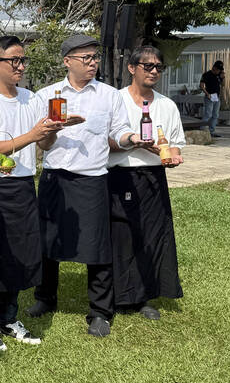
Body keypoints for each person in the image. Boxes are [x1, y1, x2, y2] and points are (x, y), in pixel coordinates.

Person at [28, 35, 145, 338]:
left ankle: (100, 312)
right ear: (67, 61)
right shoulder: (46, 95)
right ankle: (45, 298)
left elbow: (118, 130)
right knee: (48, 241)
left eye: (95, 57)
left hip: (93, 179)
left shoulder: (108, 95)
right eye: (86, 58)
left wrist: (131, 139)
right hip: (56, 177)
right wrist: (52, 131)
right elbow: (41, 143)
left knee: (97, 246)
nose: (93, 62)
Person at [0, 36, 61, 351]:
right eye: (14, 61)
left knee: (20, 252)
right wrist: (33, 134)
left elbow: (43, 144)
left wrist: (50, 133)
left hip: (24, 182)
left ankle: (7, 318)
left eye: (23, 60)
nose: (20, 66)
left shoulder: (32, 98)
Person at [108, 46, 184, 320]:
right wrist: (133, 144)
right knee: (122, 237)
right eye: (147, 66)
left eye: (158, 67)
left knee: (153, 237)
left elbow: (175, 146)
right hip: (122, 175)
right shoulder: (115, 101)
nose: (153, 71)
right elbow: (104, 142)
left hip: (154, 177)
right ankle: (118, 296)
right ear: (131, 68)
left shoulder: (167, 105)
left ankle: (145, 297)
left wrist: (172, 158)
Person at [199, 60, 225, 137]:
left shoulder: (219, 75)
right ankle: (202, 130)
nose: (219, 71)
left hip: (216, 97)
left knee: (215, 115)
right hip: (209, 97)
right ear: (214, 68)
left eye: (220, 70)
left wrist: (223, 77)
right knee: (208, 114)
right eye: (218, 69)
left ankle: (212, 131)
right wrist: (207, 94)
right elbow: (201, 85)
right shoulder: (207, 74)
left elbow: (223, 85)